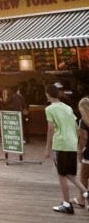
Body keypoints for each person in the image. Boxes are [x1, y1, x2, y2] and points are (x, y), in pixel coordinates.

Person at [44, 83, 85, 214]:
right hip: (72, 143)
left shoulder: (49, 109)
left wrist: (47, 148)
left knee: (62, 174)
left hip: (60, 144)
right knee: (70, 174)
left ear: (48, 94)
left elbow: (50, 129)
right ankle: (85, 193)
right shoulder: (68, 108)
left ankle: (67, 204)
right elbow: (77, 128)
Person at [77, 97, 89, 207]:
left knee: (84, 176)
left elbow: (83, 138)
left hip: (88, 153)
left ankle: (81, 199)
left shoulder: (83, 121)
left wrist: (80, 152)